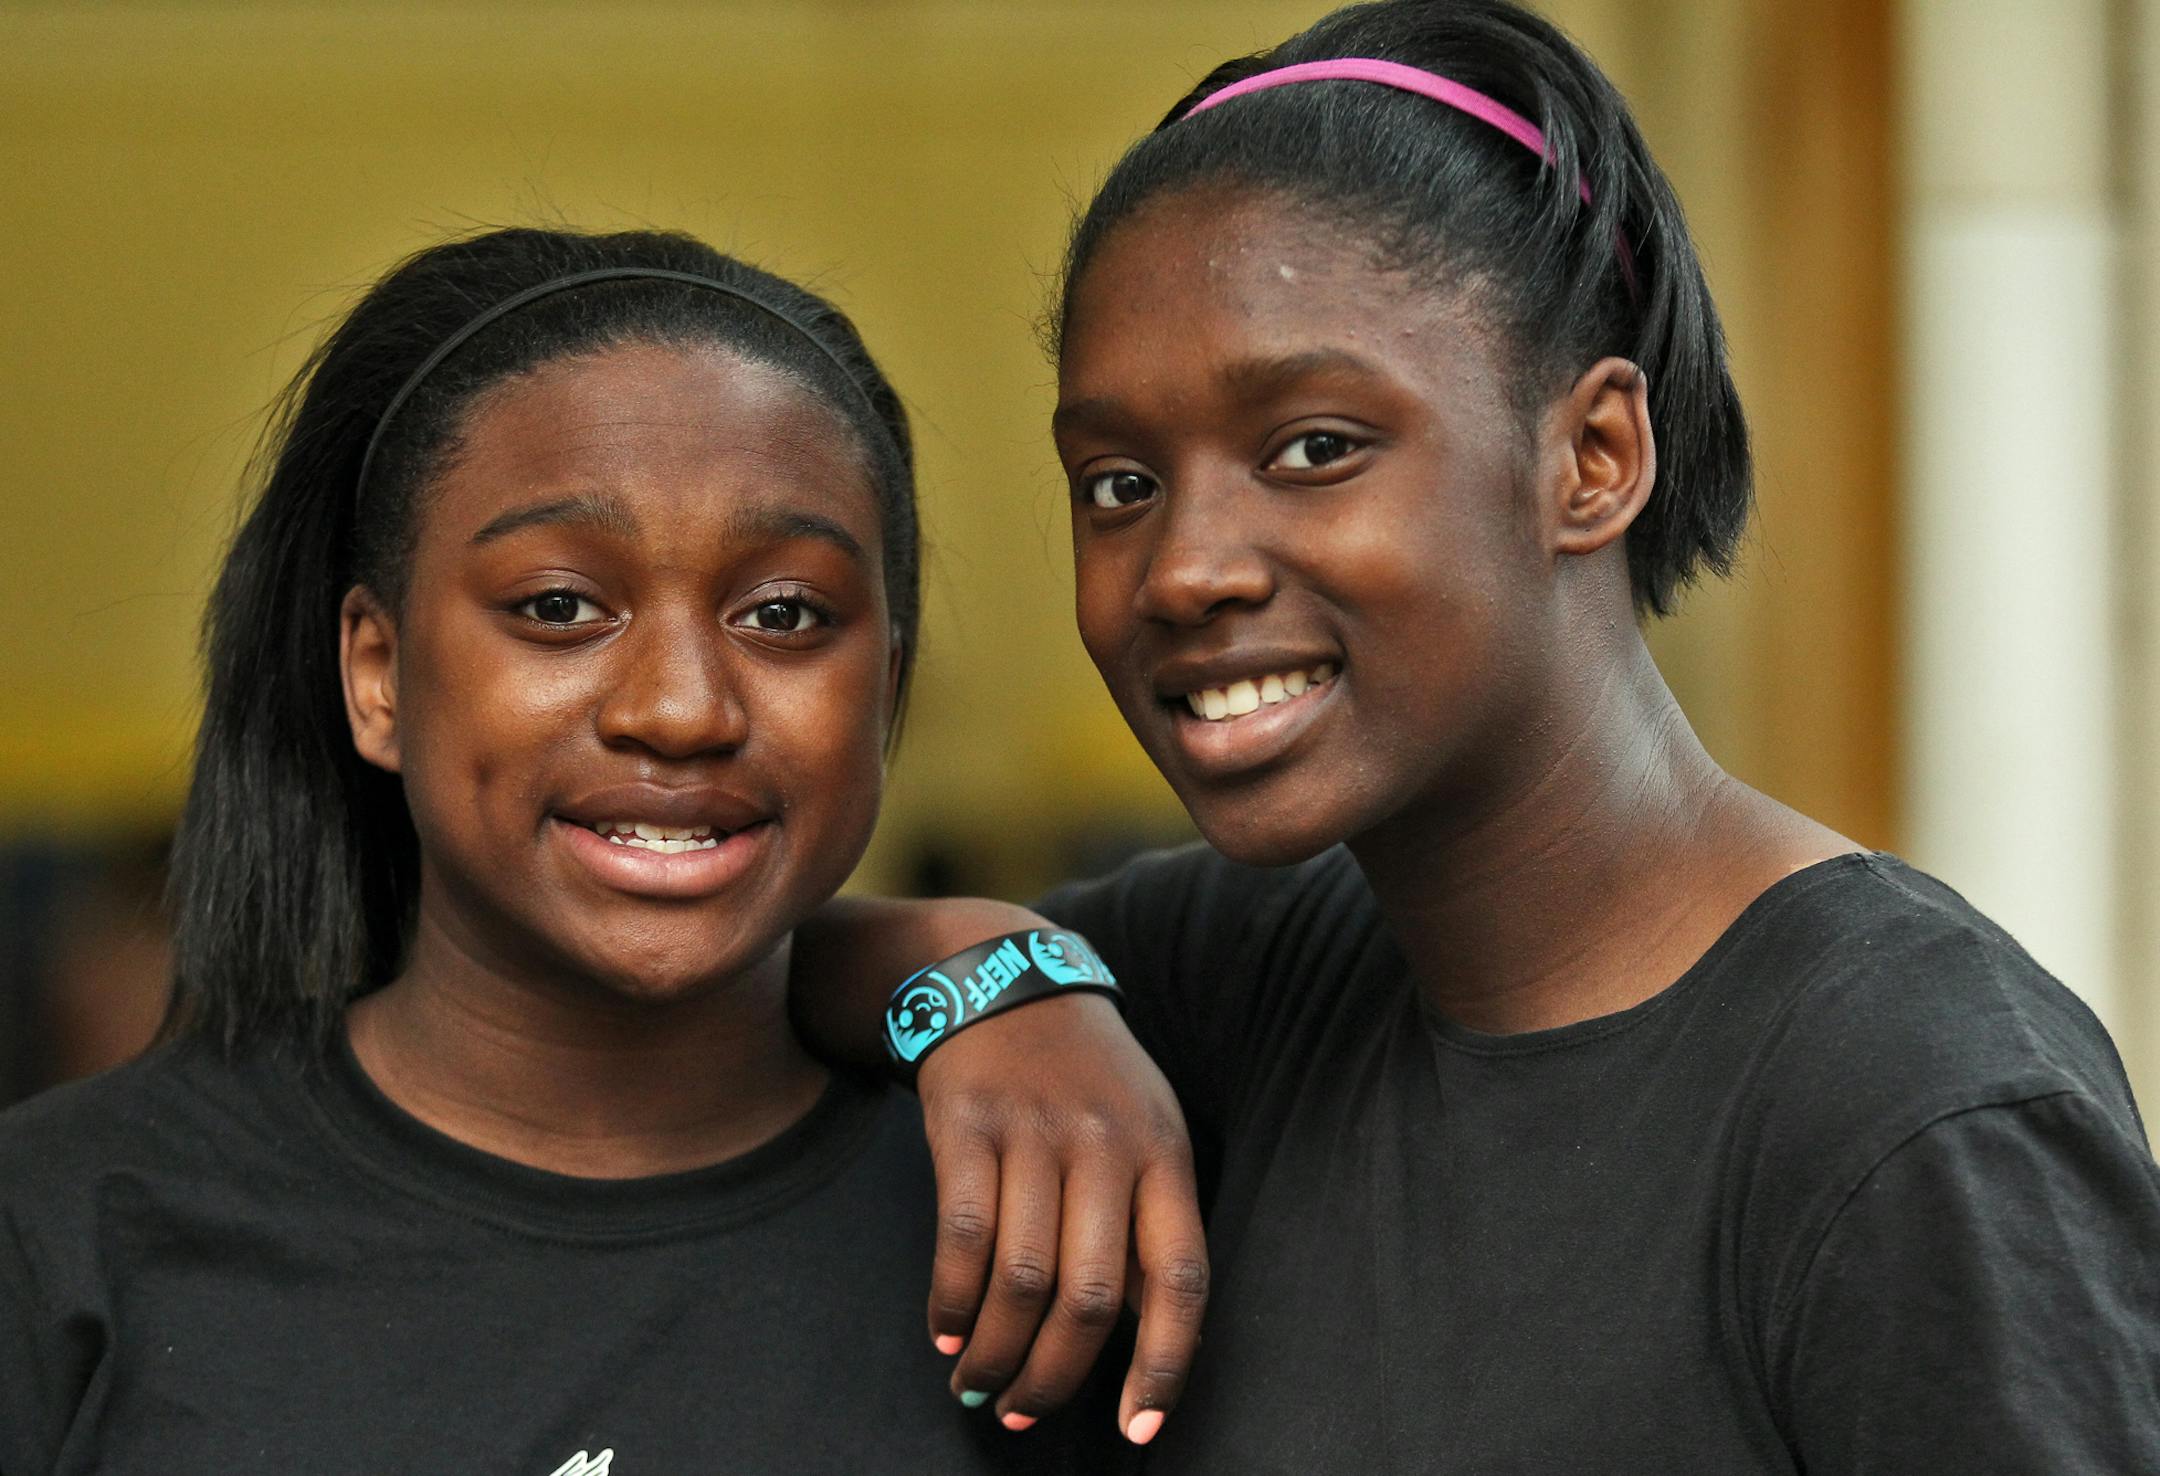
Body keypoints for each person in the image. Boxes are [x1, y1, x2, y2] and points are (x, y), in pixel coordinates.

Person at [793, 2, 2160, 1469]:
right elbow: (766, 975)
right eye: (1120, 483)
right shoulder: (1262, 971)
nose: (1184, 570)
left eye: (1314, 448)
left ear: (1593, 459)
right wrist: (999, 980)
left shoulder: (1911, 1109)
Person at [0, 226, 1162, 1473]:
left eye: (784, 613)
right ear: (379, 674)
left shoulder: (1064, 1228)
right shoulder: (59, 1236)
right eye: (559, 607)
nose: (682, 708)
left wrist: (1011, 975)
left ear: (886, 688)